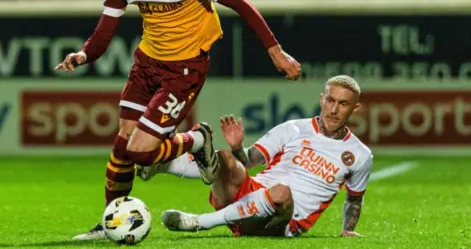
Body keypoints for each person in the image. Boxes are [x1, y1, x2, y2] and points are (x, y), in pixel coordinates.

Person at [53, 0, 301, 240]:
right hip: (146, 63)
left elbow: (239, 2)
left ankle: (197, 140)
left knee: (140, 152)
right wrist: (82, 55)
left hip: (184, 69)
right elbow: (104, 32)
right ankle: (110, 223)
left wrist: (276, 51)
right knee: (122, 146)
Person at [143, 75, 372, 238]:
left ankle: (198, 222)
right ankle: (165, 164)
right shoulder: (293, 128)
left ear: (356, 107)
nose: (333, 109)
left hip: (283, 221)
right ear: (322, 98)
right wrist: (237, 147)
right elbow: (247, 160)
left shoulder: (360, 155)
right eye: (330, 100)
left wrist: (347, 229)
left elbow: (354, 199)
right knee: (225, 158)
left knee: (281, 192)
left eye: (343, 104)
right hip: (248, 198)